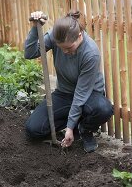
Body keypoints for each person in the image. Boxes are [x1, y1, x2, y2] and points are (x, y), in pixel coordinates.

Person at [24, 10, 113, 153]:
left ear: (79, 36)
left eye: (69, 48)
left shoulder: (90, 53)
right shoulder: (56, 36)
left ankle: (84, 129)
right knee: (33, 129)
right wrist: (35, 27)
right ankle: (74, 122)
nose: (65, 52)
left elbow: (81, 93)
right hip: (64, 93)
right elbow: (30, 53)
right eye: (61, 48)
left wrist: (69, 127)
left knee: (103, 109)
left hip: (89, 96)